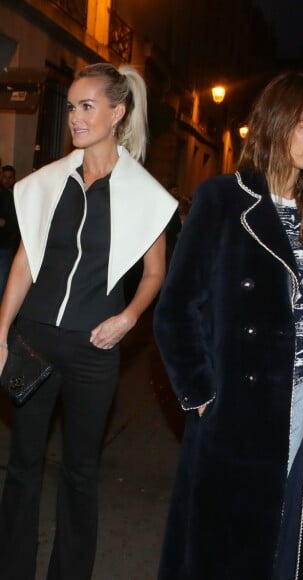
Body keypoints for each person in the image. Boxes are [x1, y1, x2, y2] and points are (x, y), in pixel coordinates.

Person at [153, 71, 303, 580]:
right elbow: (175, 306)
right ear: (276, 126)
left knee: (286, 536)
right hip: (239, 402)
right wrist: (200, 393)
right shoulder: (224, 199)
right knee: (227, 545)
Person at [0, 62, 177, 579]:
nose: (75, 117)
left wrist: (128, 317)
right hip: (31, 341)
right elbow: (24, 261)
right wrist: (2, 331)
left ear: (116, 112)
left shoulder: (143, 193)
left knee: (80, 472)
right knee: (22, 467)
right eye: (72, 106)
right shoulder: (49, 183)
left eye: (87, 106)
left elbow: (154, 272)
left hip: (94, 350)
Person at [0, 164, 19, 299]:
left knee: (4, 282)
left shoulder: (15, 193)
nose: (7, 180)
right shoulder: (5, 195)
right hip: (4, 244)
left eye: (10, 178)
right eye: (4, 177)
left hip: (7, 245)